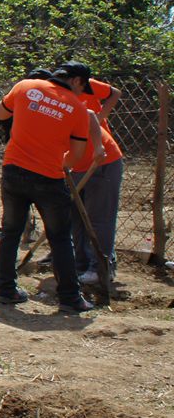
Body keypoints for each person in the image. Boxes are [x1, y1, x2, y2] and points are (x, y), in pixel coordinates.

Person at [0, 61, 101, 312]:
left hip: (13, 171)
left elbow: (0, 113)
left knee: (10, 232)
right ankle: (71, 299)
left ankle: (6, 291)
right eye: (82, 88)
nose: (81, 93)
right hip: (49, 178)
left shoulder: (26, 86)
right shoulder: (76, 107)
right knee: (61, 237)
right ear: (75, 81)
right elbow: (75, 155)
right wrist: (59, 162)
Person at [70, 74, 124, 285]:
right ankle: (81, 264)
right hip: (76, 164)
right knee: (76, 216)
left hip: (101, 161)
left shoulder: (88, 87)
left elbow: (94, 112)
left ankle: (100, 267)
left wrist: (99, 121)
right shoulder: (56, 101)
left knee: (98, 218)